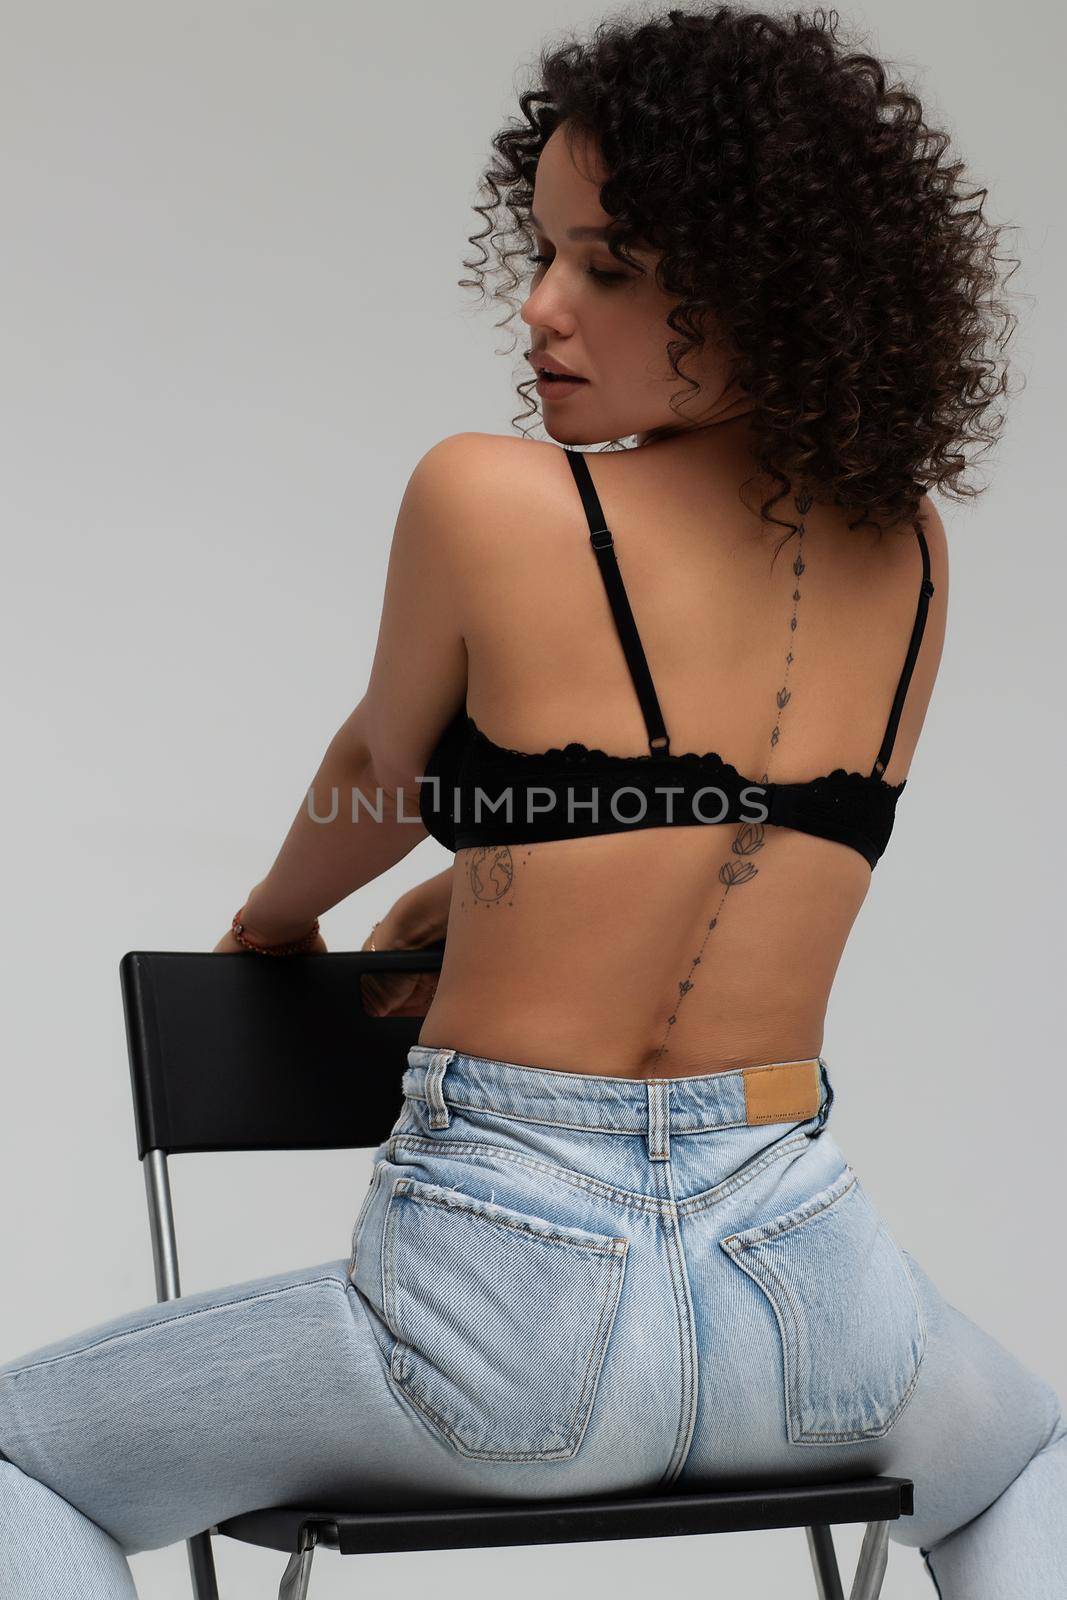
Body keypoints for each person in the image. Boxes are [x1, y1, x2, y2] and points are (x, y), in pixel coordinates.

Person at [1, 8, 1062, 1597]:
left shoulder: (491, 497)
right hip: (812, 1302)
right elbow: (733, 825)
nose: (542, 304)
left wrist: (280, 917)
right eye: (548, 248)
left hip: (509, 1308)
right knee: (1026, 1464)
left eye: (611, 267)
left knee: (21, 1456)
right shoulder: (906, 549)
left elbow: (379, 778)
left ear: (774, 294)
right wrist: (501, 870)